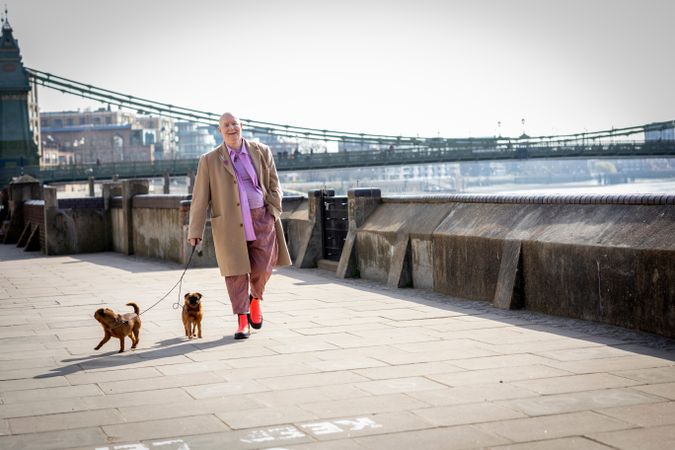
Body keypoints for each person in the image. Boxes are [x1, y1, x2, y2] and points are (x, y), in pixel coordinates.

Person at [188, 112, 291, 339]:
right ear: (219, 130)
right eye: (226, 125)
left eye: (234, 123)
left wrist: (273, 211)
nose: (231, 128)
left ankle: (255, 299)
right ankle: (242, 319)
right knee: (235, 272)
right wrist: (194, 231)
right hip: (229, 223)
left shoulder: (261, 151)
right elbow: (200, 198)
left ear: (241, 126)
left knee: (264, 265)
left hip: (261, 217)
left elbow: (274, 183)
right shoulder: (209, 160)